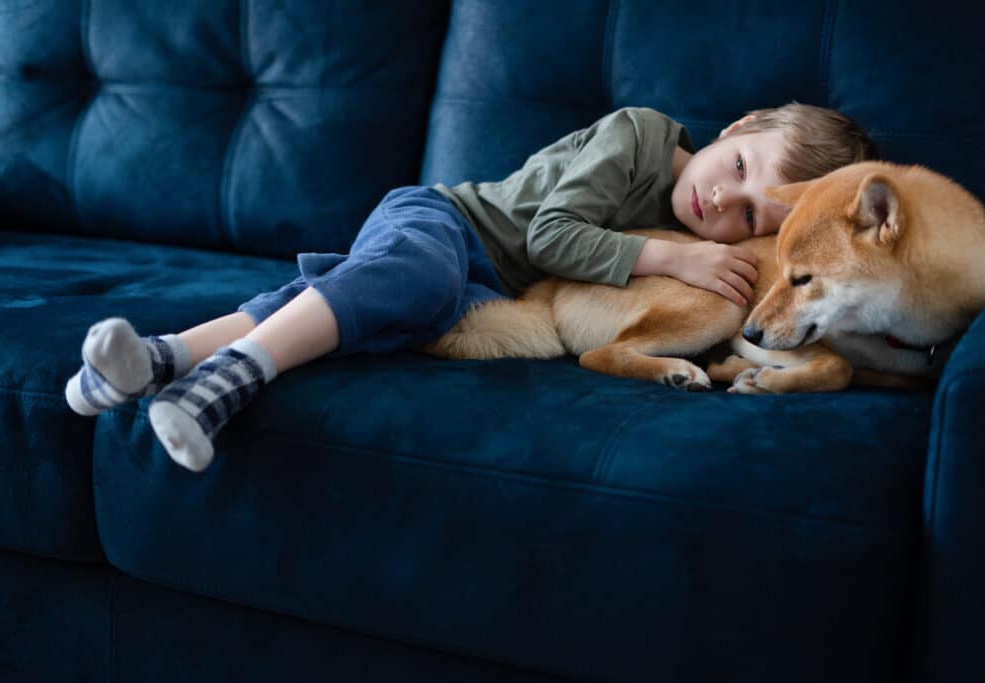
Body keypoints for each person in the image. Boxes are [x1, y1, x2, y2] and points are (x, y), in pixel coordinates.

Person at [65, 102, 877, 471]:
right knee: (408, 277)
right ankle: (222, 384)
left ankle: (153, 360)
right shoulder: (639, 137)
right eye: (736, 170)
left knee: (362, 312)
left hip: (482, 290)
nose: (718, 203)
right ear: (737, 127)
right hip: (448, 224)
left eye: (744, 220)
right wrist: (674, 261)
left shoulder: (698, 217)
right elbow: (547, 235)